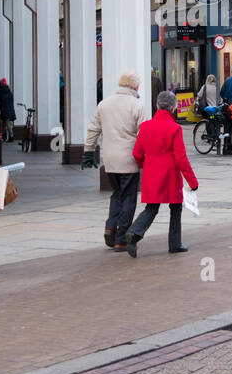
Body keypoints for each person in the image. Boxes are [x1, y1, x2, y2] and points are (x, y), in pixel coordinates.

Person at [125, 90, 197, 258]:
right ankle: (175, 243)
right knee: (176, 208)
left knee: (151, 208)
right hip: (170, 172)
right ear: (173, 108)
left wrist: (146, 165)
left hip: (151, 171)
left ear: (157, 105)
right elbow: (181, 157)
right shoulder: (175, 128)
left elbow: (137, 153)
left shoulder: (145, 126)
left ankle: (134, 232)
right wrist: (192, 181)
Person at [83, 71, 146, 250]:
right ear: (135, 87)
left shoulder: (104, 104)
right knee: (128, 198)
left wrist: (88, 151)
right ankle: (121, 238)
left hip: (109, 159)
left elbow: (93, 129)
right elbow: (144, 133)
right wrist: (145, 156)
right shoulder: (136, 105)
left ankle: (110, 227)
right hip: (129, 159)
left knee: (116, 194)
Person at [196, 73, 221, 151]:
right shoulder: (217, 88)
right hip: (215, 109)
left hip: (207, 109)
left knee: (208, 123)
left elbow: (199, 96)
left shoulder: (205, 87)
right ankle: (215, 138)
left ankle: (211, 139)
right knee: (215, 123)